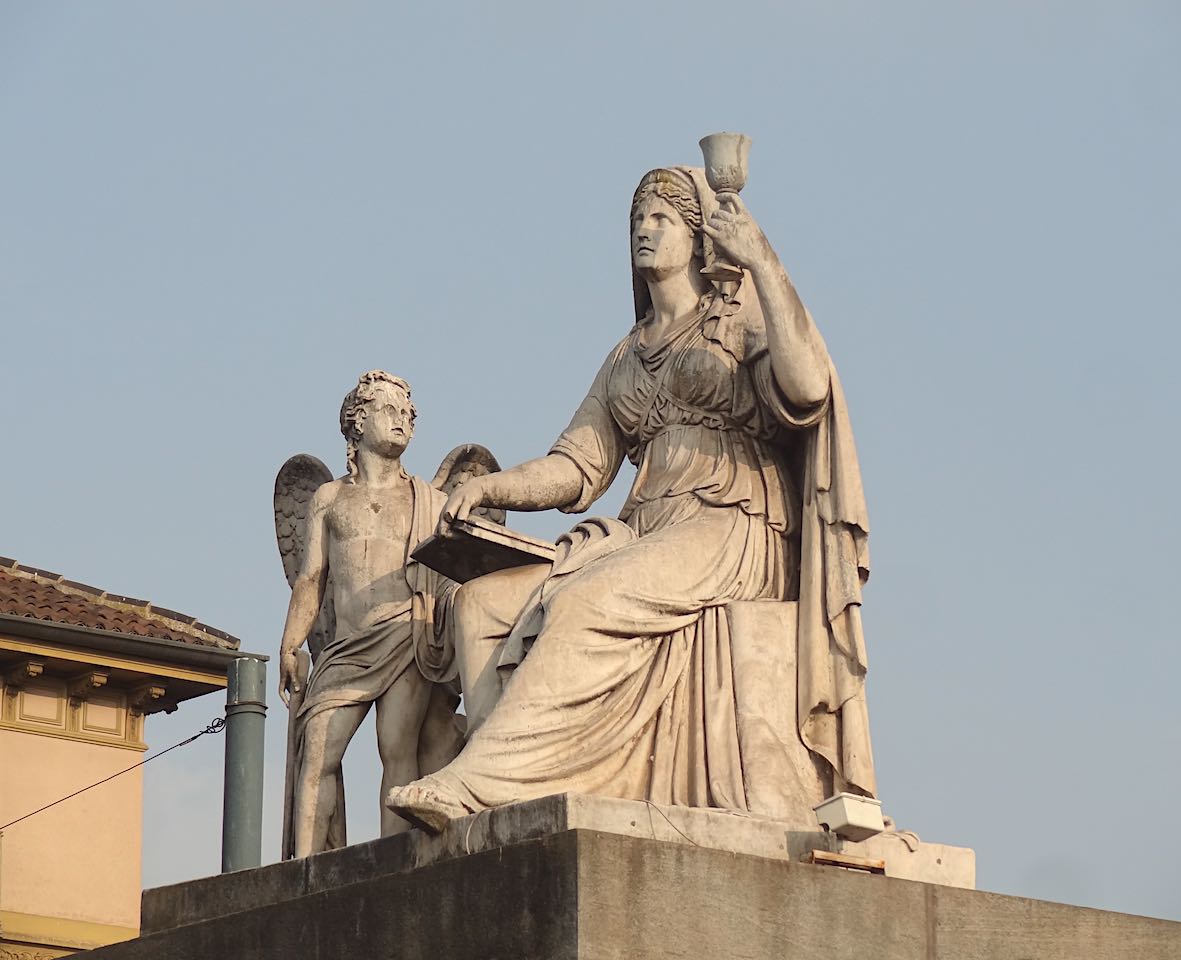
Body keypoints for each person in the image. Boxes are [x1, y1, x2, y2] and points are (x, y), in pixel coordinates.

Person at [387, 167, 876, 832]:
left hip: (731, 522)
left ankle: (480, 781)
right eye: (637, 220)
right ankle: (521, 794)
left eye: (661, 218)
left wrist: (761, 260)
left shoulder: (737, 316)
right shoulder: (627, 354)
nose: (643, 230)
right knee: (480, 606)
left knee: (587, 597)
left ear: (700, 236)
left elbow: (808, 387)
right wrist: (490, 487)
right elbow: (578, 464)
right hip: (645, 529)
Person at [278, 371, 460, 855]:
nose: (402, 420)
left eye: (409, 413)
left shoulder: (431, 501)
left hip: (406, 632)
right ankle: (304, 866)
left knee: (396, 745)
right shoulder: (329, 498)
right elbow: (311, 579)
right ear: (358, 422)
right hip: (344, 647)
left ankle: (390, 861)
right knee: (317, 748)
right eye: (389, 410)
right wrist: (291, 643)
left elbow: (454, 578)